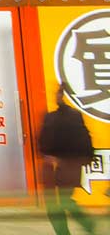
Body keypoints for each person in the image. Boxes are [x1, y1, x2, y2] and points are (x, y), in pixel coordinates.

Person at [39, 97, 99, 235]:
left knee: (55, 203)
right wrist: (87, 158)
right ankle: (86, 224)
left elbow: (43, 141)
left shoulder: (51, 118)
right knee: (65, 199)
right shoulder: (75, 117)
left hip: (55, 165)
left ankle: (66, 231)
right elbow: (85, 138)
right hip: (70, 165)